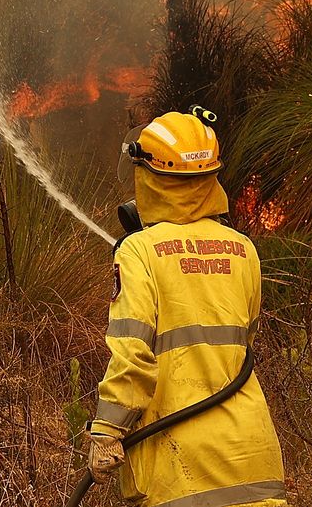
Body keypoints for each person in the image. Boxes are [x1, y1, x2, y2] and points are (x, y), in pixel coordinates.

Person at [87, 109, 287, 507]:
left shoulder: (139, 251)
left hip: (180, 469)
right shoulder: (243, 249)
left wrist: (108, 430)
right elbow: (242, 345)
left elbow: (131, 354)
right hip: (254, 458)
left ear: (148, 176)